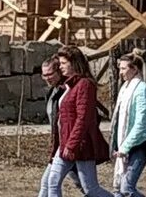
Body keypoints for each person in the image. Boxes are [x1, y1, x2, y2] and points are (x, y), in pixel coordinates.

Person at [48, 45, 114, 197]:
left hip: (81, 145)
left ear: (74, 63)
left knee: (91, 189)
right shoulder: (70, 85)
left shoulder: (85, 84)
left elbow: (83, 118)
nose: (61, 67)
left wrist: (72, 145)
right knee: (53, 181)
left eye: (64, 63)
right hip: (65, 144)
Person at [109, 48, 146, 197]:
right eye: (120, 68)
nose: (121, 72)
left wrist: (126, 146)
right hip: (125, 143)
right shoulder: (125, 88)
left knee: (126, 188)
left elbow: (141, 123)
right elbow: (119, 119)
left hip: (141, 144)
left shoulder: (142, 89)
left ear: (134, 68)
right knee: (118, 190)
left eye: (124, 68)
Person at [40, 56, 85, 197]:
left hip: (71, 145)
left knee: (88, 187)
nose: (47, 78)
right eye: (44, 75)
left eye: (50, 74)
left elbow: (80, 119)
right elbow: (56, 127)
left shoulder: (67, 91)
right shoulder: (52, 92)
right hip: (60, 147)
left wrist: (71, 144)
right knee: (49, 184)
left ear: (59, 71)